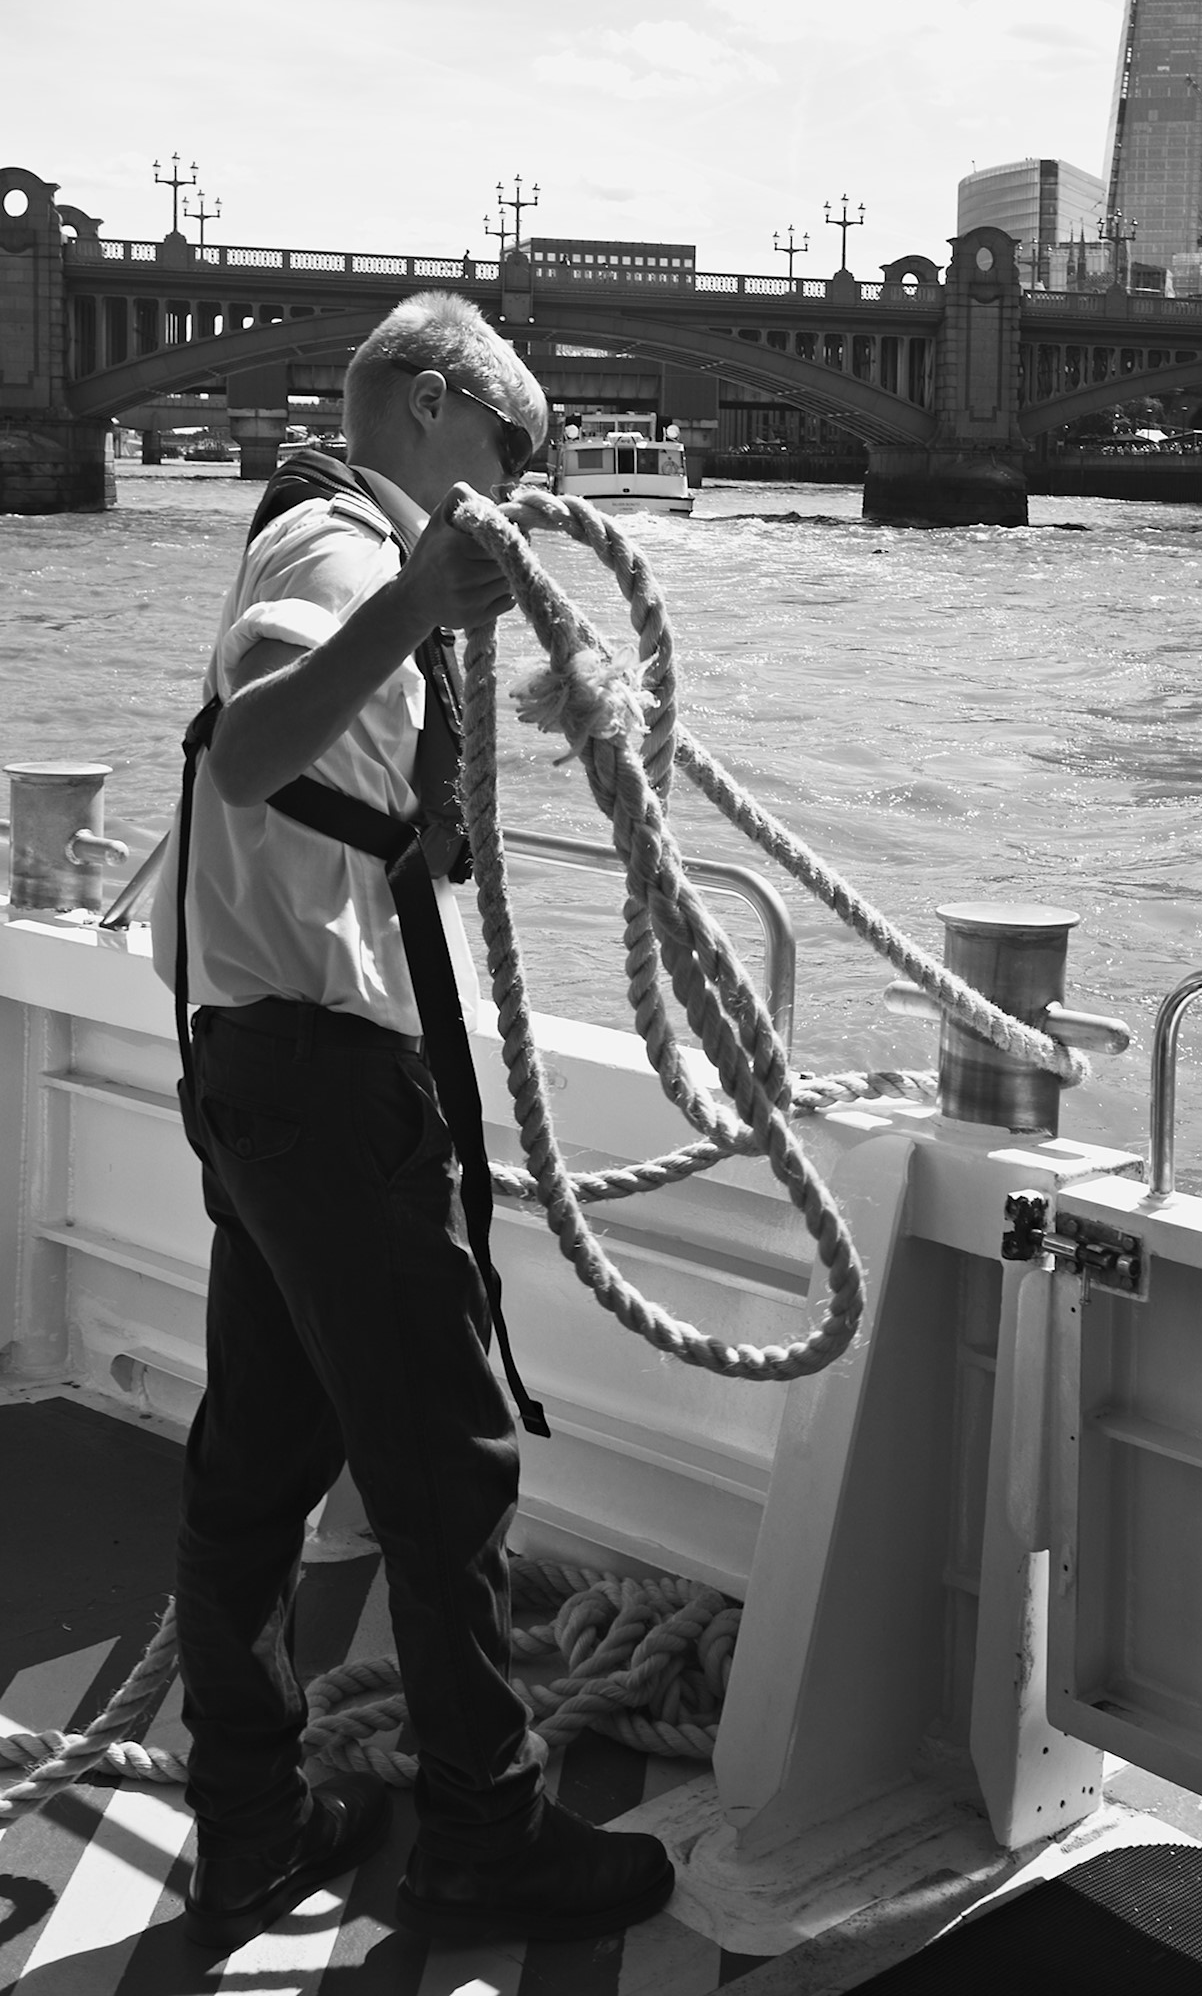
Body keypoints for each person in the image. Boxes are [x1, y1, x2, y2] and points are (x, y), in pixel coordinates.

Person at [151, 290, 674, 1954]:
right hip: (323, 1085)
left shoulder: (326, 536)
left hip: (257, 1071)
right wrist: (411, 610)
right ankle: (482, 1837)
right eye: (508, 449)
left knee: (259, 1465)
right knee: (446, 1471)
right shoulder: (341, 551)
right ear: (435, 402)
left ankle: (252, 1827)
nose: (513, 487)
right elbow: (249, 751)